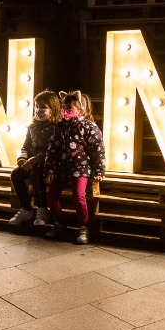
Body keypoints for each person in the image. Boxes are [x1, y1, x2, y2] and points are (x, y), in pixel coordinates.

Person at [42, 90, 105, 245]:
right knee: (51, 196)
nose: (66, 112)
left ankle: (84, 227)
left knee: (78, 196)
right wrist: (49, 168)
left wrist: (98, 170)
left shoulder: (89, 127)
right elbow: (53, 149)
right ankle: (59, 223)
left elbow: (98, 149)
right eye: (64, 108)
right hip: (62, 168)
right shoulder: (59, 127)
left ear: (80, 110)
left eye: (70, 109)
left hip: (81, 167)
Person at [9, 89, 60, 228]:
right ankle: (26, 209)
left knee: (37, 172)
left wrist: (36, 159)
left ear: (52, 108)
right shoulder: (33, 127)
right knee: (16, 174)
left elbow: (56, 150)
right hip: (32, 161)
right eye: (37, 107)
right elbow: (25, 146)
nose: (39, 110)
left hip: (49, 163)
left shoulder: (57, 128)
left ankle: (43, 210)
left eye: (43, 107)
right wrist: (22, 158)